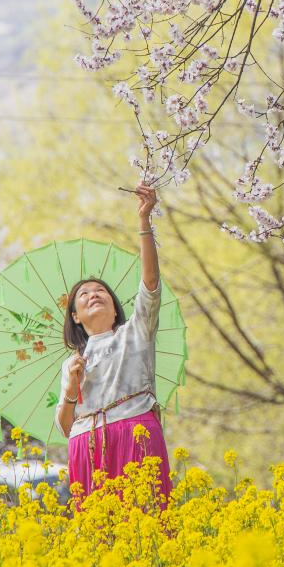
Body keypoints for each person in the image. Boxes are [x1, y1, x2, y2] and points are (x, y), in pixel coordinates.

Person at [54, 182, 171, 510]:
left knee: (145, 518)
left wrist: (144, 222)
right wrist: (73, 388)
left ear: (115, 305)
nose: (94, 294)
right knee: (98, 532)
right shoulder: (73, 362)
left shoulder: (136, 331)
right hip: (86, 444)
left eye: (100, 290)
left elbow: (150, 283)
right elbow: (66, 426)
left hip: (135, 430)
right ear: (75, 316)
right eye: (84, 293)